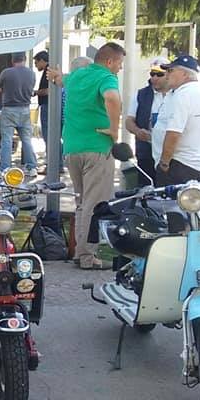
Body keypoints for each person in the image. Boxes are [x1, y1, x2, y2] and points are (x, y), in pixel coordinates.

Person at [55, 42, 125, 270]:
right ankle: (87, 256)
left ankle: (79, 250)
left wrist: (55, 75)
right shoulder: (106, 77)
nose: (120, 68)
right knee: (94, 204)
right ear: (109, 61)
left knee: (81, 203)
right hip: (97, 147)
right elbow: (112, 98)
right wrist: (114, 129)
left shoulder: (77, 76)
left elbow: (61, 80)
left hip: (72, 147)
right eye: (120, 63)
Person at [150, 55, 200, 186]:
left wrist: (164, 163)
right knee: (192, 199)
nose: (167, 75)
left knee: (172, 200)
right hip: (197, 164)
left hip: (177, 165)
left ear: (184, 74)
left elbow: (174, 133)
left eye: (171, 70)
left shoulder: (182, 96)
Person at [125, 57, 171, 185]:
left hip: (170, 152)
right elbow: (129, 121)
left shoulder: (177, 94)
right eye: (152, 74)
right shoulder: (140, 94)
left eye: (159, 74)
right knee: (146, 188)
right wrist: (138, 131)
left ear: (168, 75)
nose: (154, 78)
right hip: (146, 152)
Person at [0, 53, 37, 176]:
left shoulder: (6, 72)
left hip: (9, 109)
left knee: (7, 140)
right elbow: (31, 90)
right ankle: (32, 167)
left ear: (12, 60)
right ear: (24, 59)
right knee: (26, 140)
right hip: (25, 109)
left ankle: (5, 169)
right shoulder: (32, 73)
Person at [33, 51, 50, 144]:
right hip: (47, 104)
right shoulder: (47, 70)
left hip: (46, 104)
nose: (35, 66)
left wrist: (36, 92)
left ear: (42, 61)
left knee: (47, 132)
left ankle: (51, 151)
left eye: (36, 63)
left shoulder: (48, 71)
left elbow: (48, 90)